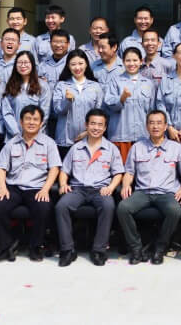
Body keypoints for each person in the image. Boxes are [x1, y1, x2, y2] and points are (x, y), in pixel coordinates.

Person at [117, 110, 181, 265]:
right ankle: (136, 248)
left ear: (165, 126)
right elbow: (129, 173)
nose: (155, 126)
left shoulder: (176, 148)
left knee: (174, 210)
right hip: (143, 192)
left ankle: (161, 247)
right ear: (146, 126)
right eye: (151, 123)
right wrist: (125, 185)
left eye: (159, 123)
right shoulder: (137, 147)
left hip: (166, 193)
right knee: (123, 208)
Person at [0, 104, 61, 262]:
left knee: (43, 207)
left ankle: (35, 247)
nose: (31, 122)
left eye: (35, 119)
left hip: (37, 187)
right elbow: (1, 168)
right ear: (21, 122)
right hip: (13, 187)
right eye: (28, 119)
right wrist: (2, 188)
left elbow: (54, 168)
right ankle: (6, 246)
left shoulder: (49, 143)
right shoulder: (11, 143)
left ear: (41, 123)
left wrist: (45, 189)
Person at [54, 109, 124, 267]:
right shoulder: (76, 148)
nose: (96, 128)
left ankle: (99, 250)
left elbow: (118, 173)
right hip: (78, 189)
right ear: (86, 125)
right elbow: (64, 171)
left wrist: (111, 187)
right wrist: (63, 184)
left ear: (105, 127)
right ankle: (67, 250)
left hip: (101, 189)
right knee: (61, 206)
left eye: (100, 125)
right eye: (93, 123)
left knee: (108, 206)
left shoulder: (111, 149)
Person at [104, 47, 157, 161]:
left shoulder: (148, 83)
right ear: (123, 62)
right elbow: (109, 105)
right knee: (121, 168)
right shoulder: (115, 81)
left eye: (135, 60)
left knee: (143, 168)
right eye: (128, 60)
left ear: (141, 61)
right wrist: (121, 98)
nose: (131, 64)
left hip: (143, 136)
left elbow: (152, 111)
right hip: (121, 135)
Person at [51, 49, 104, 156]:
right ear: (68, 66)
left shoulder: (95, 86)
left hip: (90, 138)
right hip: (65, 139)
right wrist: (67, 101)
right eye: (73, 64)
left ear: (86, 64)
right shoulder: (61, 85)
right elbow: (57, 110)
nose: (77, 67)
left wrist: (88, 132)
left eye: (80, 63)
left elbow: (99, 114)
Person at [0, 51, 52, 139]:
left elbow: (45, 113)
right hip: (14, 137)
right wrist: (16, 134)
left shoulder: (43, 86)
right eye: (20, 62)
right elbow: (7, 112)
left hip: (37, 137)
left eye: (26, 62)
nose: (23, 65)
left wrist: (32, 133)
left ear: (32, 64)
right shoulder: (10, 85)